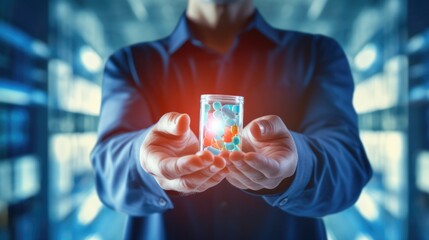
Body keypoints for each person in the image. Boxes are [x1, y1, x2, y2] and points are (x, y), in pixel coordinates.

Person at [90, 0, 372, 239]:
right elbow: (106, 171)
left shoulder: (319, 55)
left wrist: (299, 165)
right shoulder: (130, 64)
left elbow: (348, 165)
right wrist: (142, 161)